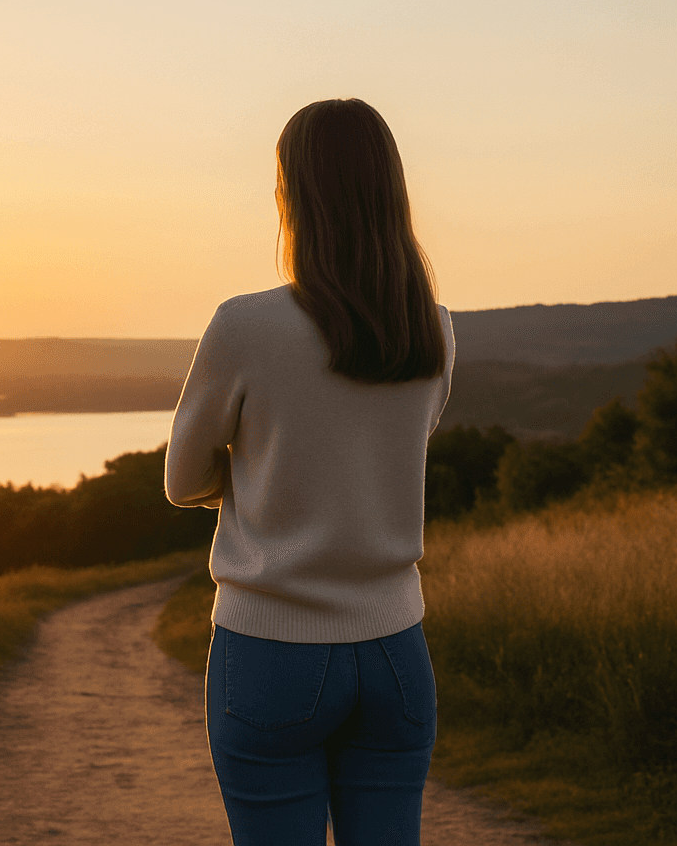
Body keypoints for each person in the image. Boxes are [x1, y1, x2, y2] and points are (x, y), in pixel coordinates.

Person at [165, 98, 454, 846]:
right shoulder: (432, 329)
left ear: (292, 195)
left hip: (270, 653)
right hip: (397, 652)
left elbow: (182, 479)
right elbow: (388, 457)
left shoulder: (245, 325)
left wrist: (258, 478)